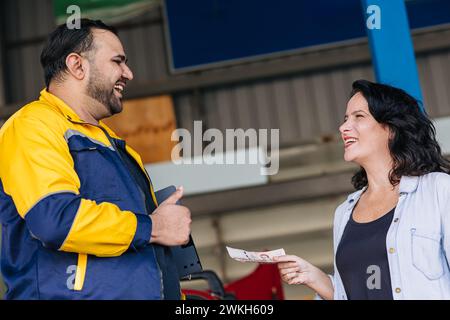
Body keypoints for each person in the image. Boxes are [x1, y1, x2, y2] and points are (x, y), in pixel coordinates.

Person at [0, 19, 191, 300]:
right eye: (118, 61)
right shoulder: (33, 125)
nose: (129, 73)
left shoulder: (116, 146)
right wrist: (154, 227)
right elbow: (55, 220)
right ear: (77, 65)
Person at [276, 80, 450, 300]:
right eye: (346, 119)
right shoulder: (344, 213)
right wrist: (313, 276)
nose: (343, 127)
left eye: (359, 116)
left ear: (391, 128)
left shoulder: (438, 190)